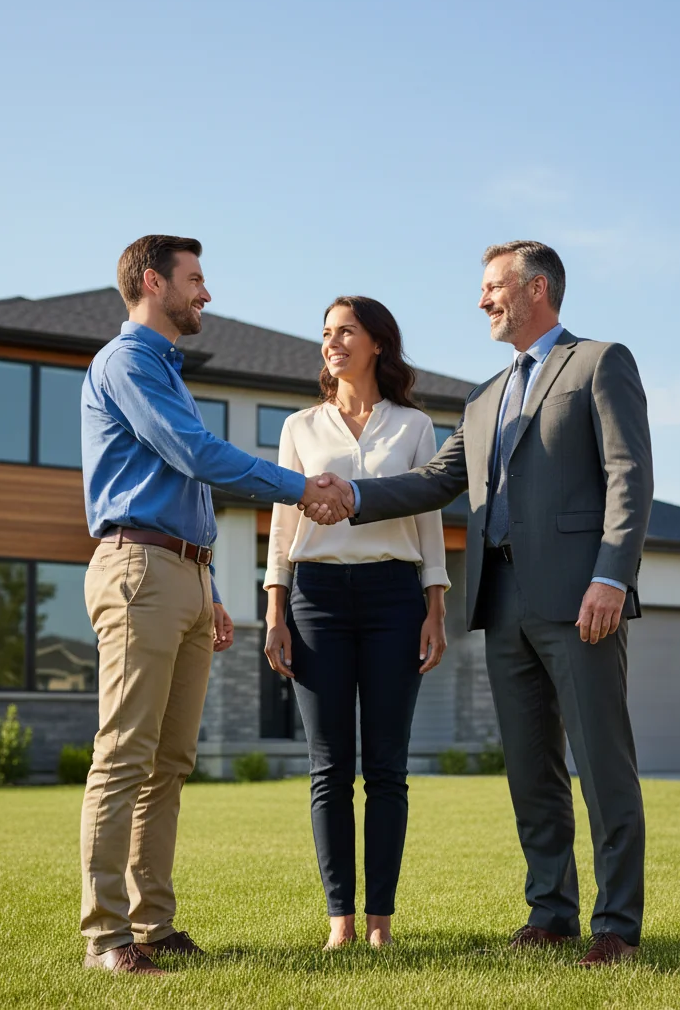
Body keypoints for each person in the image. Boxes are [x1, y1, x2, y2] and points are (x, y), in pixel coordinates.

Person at [306, 241, 654, 966]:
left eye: (493, 287)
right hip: (502, 603)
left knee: (602, 763)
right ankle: (550, 912)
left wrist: (611, 576)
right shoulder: (483, 396)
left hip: (580, 596)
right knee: (531, 768)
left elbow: (628, 475)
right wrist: (358, 495)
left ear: (537, 289)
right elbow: (436, 481)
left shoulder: (598, 363)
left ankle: (616, 925)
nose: (481, 300)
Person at [78, 234, 351, 975]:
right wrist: (300, 487)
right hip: (139, 569)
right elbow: (193, 453)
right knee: (124, 755)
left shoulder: (164, 369)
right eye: (194, 279)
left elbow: (185, 480)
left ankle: (153, 924)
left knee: (169, 761)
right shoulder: (129, 361)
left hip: (182, 576)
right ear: (151, 281)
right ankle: (107, 936)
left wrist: (212, 589)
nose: (206, 294)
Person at [263, 296, 449, 949]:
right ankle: (340, 921)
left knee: (388, 768)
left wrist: (434, 606)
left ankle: (380, 925)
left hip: (395, 598)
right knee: (328, 767)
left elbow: (429, 521)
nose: (332, 343)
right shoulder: (299, 427)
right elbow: (283, 524)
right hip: (315, 600)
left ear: (376, 343)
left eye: (345, 331)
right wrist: (274, 607)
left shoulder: (414, 426)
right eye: (326, 333)